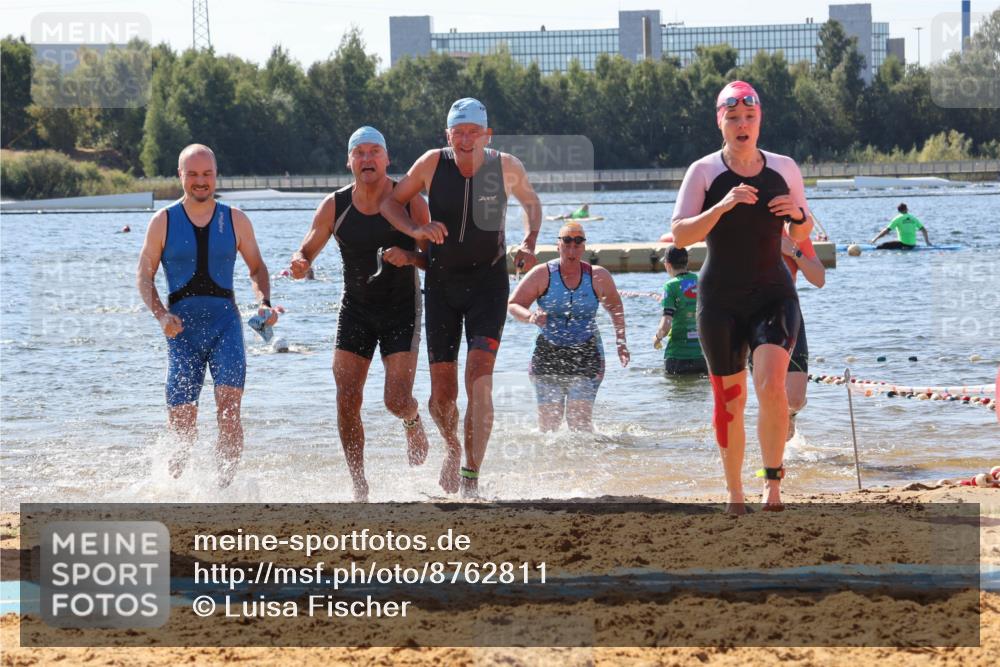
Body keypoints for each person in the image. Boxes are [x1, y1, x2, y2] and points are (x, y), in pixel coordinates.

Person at [380, 98, 542, 497]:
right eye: (458, 132)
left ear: (487, 134)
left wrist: (530, 239)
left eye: (473, 132)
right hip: (441, 286)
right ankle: (452, 449)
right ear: (447, 135)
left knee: (479, 380)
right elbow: (390, 203)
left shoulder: (506, 166)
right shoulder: (432, 164)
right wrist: (417, 231)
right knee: (443, 396)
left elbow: (532, 205)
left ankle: (471, 473)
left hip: (489, 285)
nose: (466, 139)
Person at [671, 81, 814, 514]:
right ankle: (735, 492)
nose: (741, 125)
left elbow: (803, 231)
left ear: (759, 121)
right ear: (721, 122)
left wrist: (799, 215)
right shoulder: (704, 172)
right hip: (720, 301)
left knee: (772, 386)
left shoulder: (785, 168)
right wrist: (722, 207)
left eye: (749, 118)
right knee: (729, 399)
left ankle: (772, 486)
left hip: (774, 293)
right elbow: (680, 234)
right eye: (732, 118)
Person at [289, 126, 431, 502]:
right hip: (355, 311)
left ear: (387, 158)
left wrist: (409, 258)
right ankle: (359, 484)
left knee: (396, 400)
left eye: (374, 152)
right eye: (360, 153)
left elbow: (435, 261)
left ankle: (413, 420)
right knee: (347, 398)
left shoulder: (411, 200)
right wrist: (300, 264)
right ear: (349, 160)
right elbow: (306, 250)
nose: (367, 160)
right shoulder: (335, 205)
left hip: (401, 310)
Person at [136, 143, 277, 487]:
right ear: (180, 176)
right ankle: (172, 490)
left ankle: (223, 490)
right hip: (181, 331)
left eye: (207, 174)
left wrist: (264, 302)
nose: (201, 181)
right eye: (193, 174)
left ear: (216, 176)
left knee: (229, 412)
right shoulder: (163, 221)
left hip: (225, 327)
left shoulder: (235, 220)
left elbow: (257, 268)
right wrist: (161, 315)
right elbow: (144, 276)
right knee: (182, 422)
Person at [508, 222, 629, 431]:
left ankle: (584, 463)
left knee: (580, 426)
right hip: (547, 353)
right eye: (567, 243)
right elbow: (513, 304)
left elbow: (616, 308)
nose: (572, 250)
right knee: (548, 429)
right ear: (558, 245)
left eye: (578, 243)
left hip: (587, 353)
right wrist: (531, 317)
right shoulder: (542, 274)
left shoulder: (598, 276)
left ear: (584, 247)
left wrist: (621, 342)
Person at [777, 222, 825, 439]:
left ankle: (788, 418)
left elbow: (819, 279)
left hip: (788, 314)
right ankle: (774, 465)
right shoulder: (744, 225)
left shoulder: (793, 232)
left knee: (794, 399)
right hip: (751, 315)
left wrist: (794, 252)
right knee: (770, 394)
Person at [654, 246, 707, 375]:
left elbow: (666, 324)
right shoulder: (701, 281)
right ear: (687, 262)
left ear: (668, 265)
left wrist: (657, 338)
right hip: (703, 357)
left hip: (677, 357)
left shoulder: (670, 286)